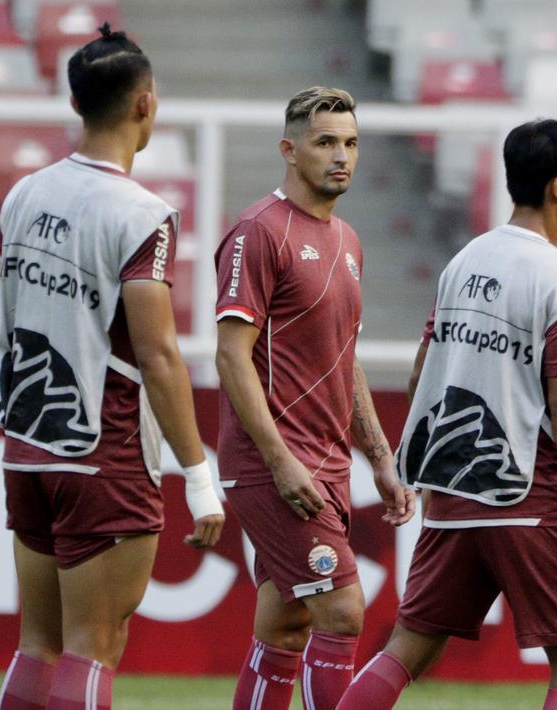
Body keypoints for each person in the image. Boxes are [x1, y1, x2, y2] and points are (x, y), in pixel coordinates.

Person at [0, 24, 225, 710]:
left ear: (76, 101)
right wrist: (198, 475)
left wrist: (18, 403)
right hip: (101, 451)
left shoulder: (23, 194)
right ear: (145, 105)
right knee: (94, 647)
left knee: (38, 646)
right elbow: (157, 352)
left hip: (27, 450)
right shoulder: (142, 213)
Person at [337, 118, 557, 710]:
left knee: (411, 646)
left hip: (453, 487)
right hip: (527, 493)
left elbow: (422, 372)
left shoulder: (463, 262)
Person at [214, 86, 415, 710]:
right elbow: (230, 354)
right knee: (343, 611)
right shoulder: (258, 231)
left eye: (351, 143)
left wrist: (378, 456)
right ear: (289, 149)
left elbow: (344, 356)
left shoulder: (348, 240)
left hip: (328, 461)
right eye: (326, 142)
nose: (341, 156)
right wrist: (278, 459)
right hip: (274, 460)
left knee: (285, 625)